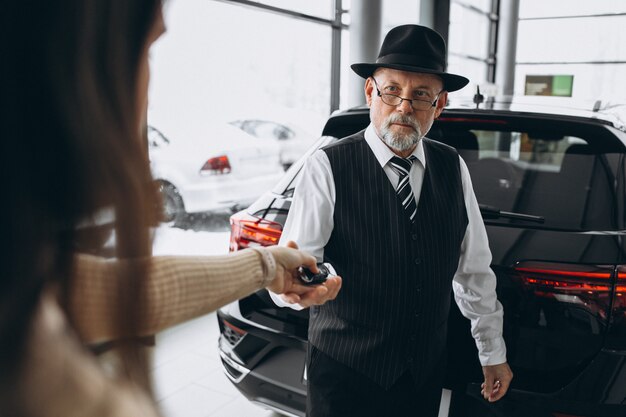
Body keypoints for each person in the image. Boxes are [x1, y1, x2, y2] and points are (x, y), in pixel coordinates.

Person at [0, 1, 340, 416]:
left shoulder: (21, 276)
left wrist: (268, 265)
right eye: (145, 51)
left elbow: (118, 291)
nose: (146, 91)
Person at [273, 24, 513, 416]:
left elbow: (473, 273)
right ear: (370, 91)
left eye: (421, 95)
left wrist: (492, 353)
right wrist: (293, 288)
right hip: (344, 373)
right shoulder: (327, 165)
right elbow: (295, 265)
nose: (404, 106)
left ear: (439, 105)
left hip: (421, 376)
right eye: (392, 91)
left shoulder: (453, 167)